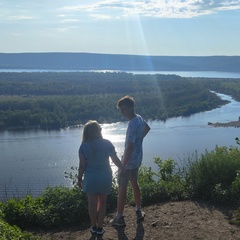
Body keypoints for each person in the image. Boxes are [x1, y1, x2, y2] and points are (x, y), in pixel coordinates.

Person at [110, 95, 150, 227]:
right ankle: (138, 210)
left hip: (128, 163)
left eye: (124, 109)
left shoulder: (132, 124)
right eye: (121, 110)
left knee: (122, 188)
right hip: (137, 160)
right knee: (134, 184)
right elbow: (147, 128)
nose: (122, 112)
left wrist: (122, 166)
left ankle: (119, 218)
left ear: (131, 107)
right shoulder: (139, 118)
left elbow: (129, 148)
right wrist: (140, 140)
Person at [78, 120, 124, 235]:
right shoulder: (107, 143)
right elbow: (115, 160)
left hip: (91, 177)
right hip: (105, 176)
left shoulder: (83, 146)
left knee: (92, 203)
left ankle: (93, 226)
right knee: (102, 202)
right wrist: (122, 168)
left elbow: (82, 165)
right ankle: (100, 227)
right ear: (98, 131)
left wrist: (79, 178)